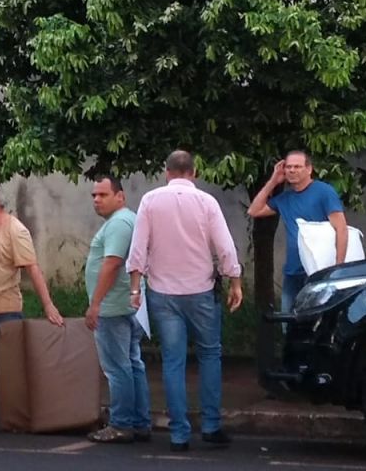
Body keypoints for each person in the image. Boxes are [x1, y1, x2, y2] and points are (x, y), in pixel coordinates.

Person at [127, 150, 243, 452]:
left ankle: (179, 433)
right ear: (193, 172)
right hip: (201, 290)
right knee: (209, 355)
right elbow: (225, 246)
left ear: (167, 172)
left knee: (173, 361)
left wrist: (135, 289)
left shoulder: (150, 201)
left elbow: (138, 247)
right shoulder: (207, 202)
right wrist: (235, 281)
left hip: (163, 292)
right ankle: (211, 425)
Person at [0, 181, 65, 430]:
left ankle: (11, 415)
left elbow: (32, 267)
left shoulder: (15, 230)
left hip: (4, 309)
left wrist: (48, 305)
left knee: (10, 369)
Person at [84, 176, 151, 444]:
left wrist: (96, 304)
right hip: (125, 304)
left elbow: (111, 264)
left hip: (113, 307)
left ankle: (122, 423)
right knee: (132, 364)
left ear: (120, 197)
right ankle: (139, 422)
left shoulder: (120, 223)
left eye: (102, 195)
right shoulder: (125, 221)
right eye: (94, 196)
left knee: (117, 368)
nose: (97, 200)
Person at [247, 150, 348, 314]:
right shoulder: (285, 198)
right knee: (289, 323)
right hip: (293, 272)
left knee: (317, 322)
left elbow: (341, 228)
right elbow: (254, 211)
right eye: (288, 167)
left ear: (309, 169)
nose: (292, 170)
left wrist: (339, 267)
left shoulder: (324, 192)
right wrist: (273, 181)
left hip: (320, 270)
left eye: (297, 166)